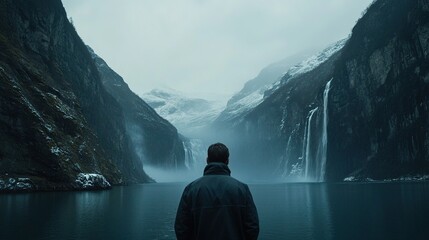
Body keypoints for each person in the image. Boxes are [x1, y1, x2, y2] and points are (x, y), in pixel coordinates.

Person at [175, 142, 259, 240]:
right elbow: (252, 227)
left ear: (207, 160)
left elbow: (181, 228)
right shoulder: (242, 189)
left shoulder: (191, 189)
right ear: (227, 161)